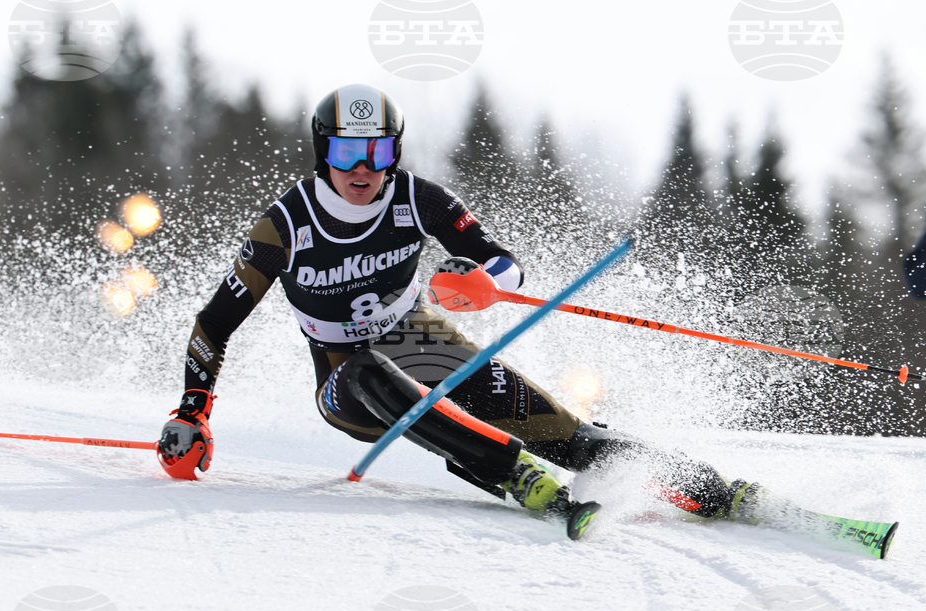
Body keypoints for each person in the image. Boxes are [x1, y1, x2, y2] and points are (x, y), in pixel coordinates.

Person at [155, 84, 825, 540]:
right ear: (321, 151)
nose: (363, 169)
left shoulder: (417, 199)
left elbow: (505, 263)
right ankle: (516, 475)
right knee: (366, 370)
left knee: (572, 437)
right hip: (346, 380)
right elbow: (215, 321)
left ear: (394, 152)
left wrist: (482, 281)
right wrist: (192, 412)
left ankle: (720, 490)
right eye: (345, 152)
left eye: (378, 152)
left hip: (425, 341)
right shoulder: (286, 224)